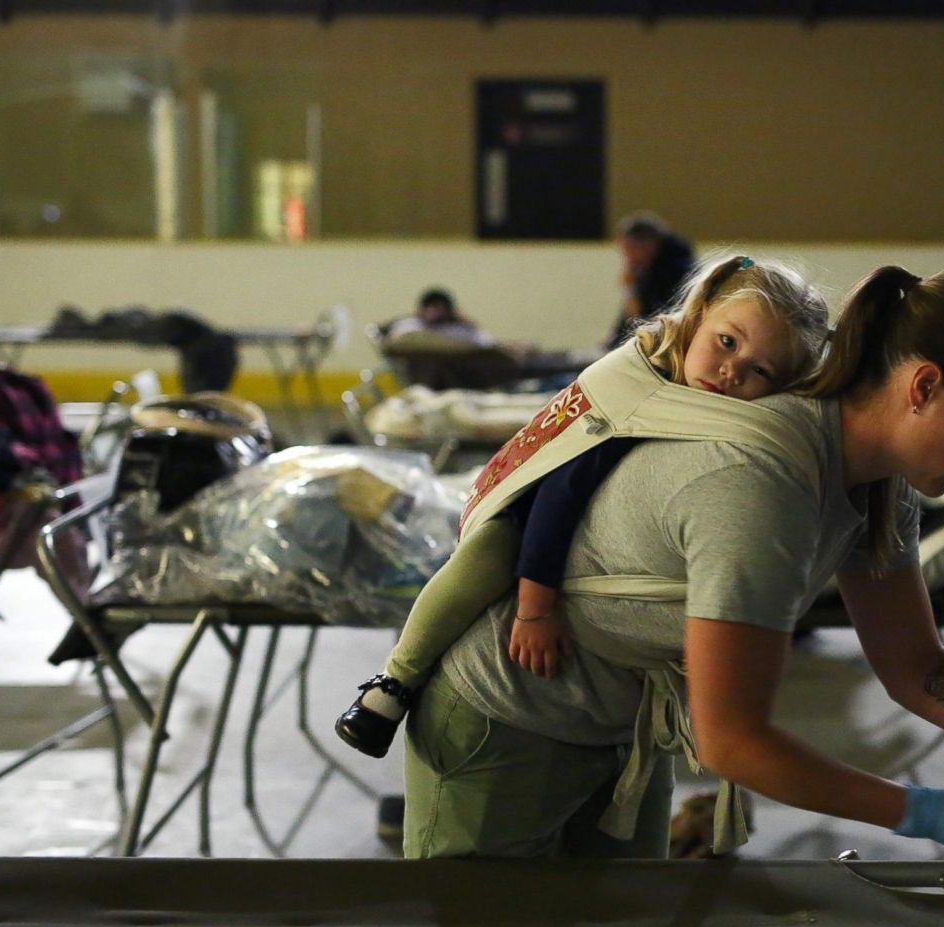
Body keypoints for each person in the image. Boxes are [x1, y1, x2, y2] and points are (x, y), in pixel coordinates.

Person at [401, 263, 944, 862]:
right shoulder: (761, 482)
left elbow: (914, 667)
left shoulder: (880, 488)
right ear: (924, 385)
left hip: (618, 728)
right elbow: (731, 740)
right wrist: (918, 811)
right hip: (505, 722)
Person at [337, 254, 829, 760]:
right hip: (533, 507)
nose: (730, 372)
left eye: (759, 370)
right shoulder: (639, 385)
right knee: (483, 558)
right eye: (726, 342)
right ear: (699, 313)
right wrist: (534, 609)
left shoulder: (714, 410)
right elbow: (559, 492)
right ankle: (392, 684)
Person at [608, 213, 696, 348]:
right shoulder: (650, 269)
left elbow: (640, 319)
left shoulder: (674, 274)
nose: (627, 257)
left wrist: (630, 288)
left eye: (628, 250)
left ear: (648, 246)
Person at [387, 287, 493, 347]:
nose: (435, 312)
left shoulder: (460, 329)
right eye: (431, 306)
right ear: (422, 309)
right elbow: (395, 342)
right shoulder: (409, 324)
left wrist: (469, 324)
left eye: (440, 308)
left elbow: (487, 343)